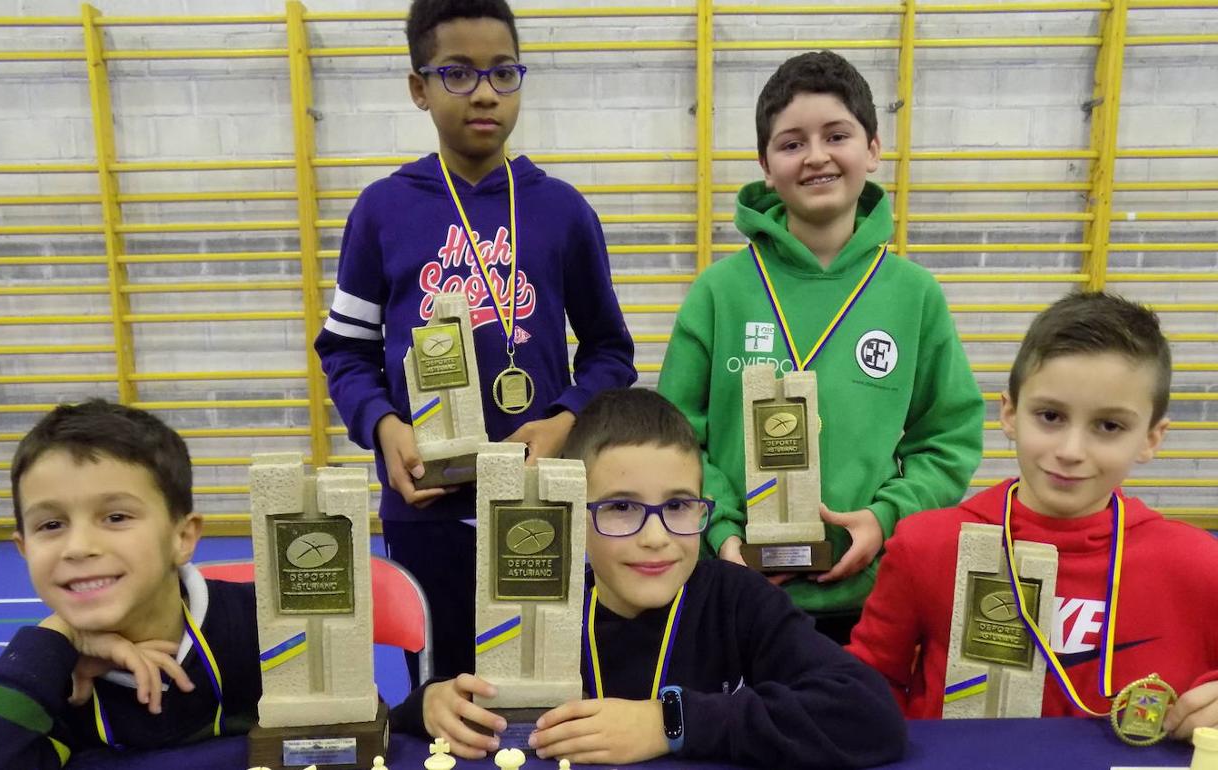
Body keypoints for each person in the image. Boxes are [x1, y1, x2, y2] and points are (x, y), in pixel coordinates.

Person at [314, 0, 636, 686]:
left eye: (503, 73)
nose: (485, 92)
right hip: (426, 505)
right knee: (444, 698)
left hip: (538, 499)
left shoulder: (563, 210)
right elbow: (343, 351)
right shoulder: (381, 210)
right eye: (457, 73)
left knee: (546, 691)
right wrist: (383, 425)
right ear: (418, 87)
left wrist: (566, 420)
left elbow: (611, 351)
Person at [394, 389, 906, 768]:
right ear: (573, 515)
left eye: (679, 505)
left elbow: (869, 714)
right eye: (621, 507)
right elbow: (433, 707)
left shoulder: (737, 599)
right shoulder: (534, 601)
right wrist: (432, 704)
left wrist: (671, 723)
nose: (656, 536)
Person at [657, 50, 984, 642]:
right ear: (764, 164)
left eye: (837, 135)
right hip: (734, 588)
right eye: (791, 143)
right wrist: (722, 531)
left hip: (868, 597)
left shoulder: (913, 295)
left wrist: (887, 518)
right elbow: (677, 438)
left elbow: (949, 439)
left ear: (873, 148)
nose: (815, 156)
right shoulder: (719, 291)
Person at [848, 292, 1218, 740]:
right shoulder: (926, 545)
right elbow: (866, 684)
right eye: (1050, 416)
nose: (1070, 451)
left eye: (1109, 426)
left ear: (1152, 439)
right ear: (1009, 413)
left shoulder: (1199, 566)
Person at [0, 400, 260, 769]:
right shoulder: (48, 686)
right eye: (51, 525)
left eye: (116, 516)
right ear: (24, 549)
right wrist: (60, 634)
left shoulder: (260, 626)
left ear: (182, 537)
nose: (78, 548)